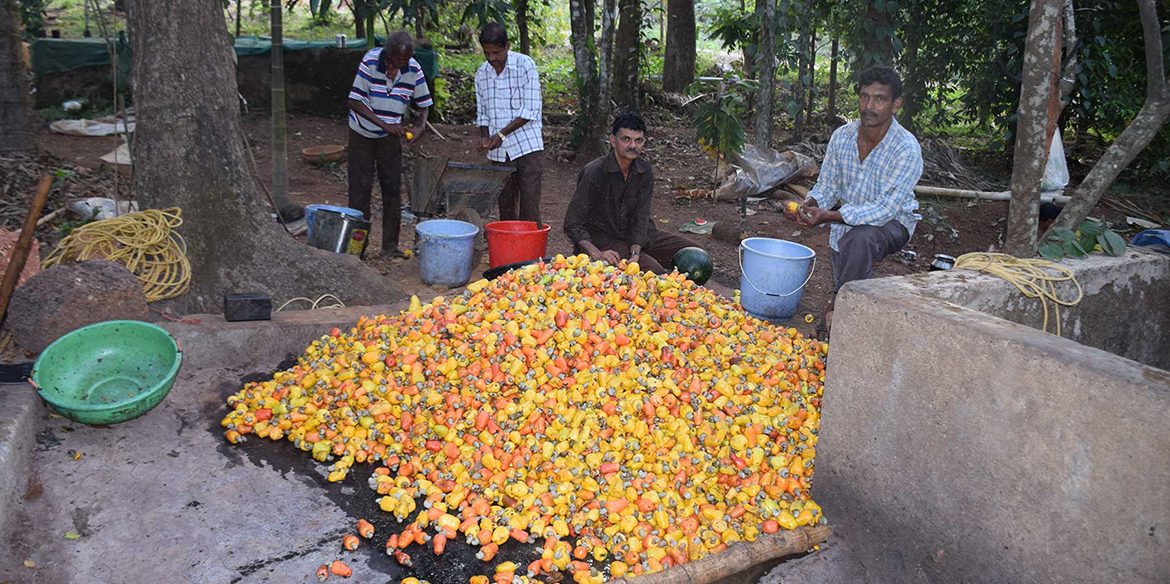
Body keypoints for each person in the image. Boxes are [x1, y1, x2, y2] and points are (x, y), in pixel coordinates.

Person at [785, 66, 923, 332]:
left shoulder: (906, 148)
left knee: (861, 238)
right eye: (864, 97)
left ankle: (838, 309)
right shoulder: (843, 136)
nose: (869, 106)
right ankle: (844, 304)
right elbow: (828, 185)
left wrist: (832, 216)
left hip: (894, 222)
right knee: (849, 253)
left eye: (880, 99)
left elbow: (884, 210)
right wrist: (812, 203)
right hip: (846, 221)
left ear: (895, 105)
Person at [564, 112, 702, 274]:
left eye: (639, 140)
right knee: (656, 274)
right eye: (626, 139)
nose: (633, 146)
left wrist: (635, 254)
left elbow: (641, 217)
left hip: (637, 235)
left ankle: (643, 257)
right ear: (613, 140)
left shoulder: (644, 170)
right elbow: (572, 223)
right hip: (604, 239)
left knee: (696, 254)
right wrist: (595, 253)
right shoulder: (594, 172)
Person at [347, 31, 432, 257]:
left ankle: (389, 247)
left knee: (392, 190)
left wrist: (420, 127)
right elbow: (354, 101)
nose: (398, 66)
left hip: (390, 137)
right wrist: (385, 126)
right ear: (387, 55)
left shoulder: (413, 69)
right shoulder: (370, 61)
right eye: (394, 61)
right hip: (362, 133)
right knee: (360, 191)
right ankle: (357, 251)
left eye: (403, 62)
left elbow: (424, 104)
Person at [474, 23, 544, 223]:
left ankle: (531, 251)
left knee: (529, 205)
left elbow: (530, 110)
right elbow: (483, 113)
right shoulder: (481, 75)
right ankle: (510, 250)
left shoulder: (524, 65)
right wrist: (484, 137)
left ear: (507, 46)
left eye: (496, 52)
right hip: (498, 151)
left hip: (527, 146)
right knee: (505, 204)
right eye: (487, 53)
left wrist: (501, 135)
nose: (491, 58)